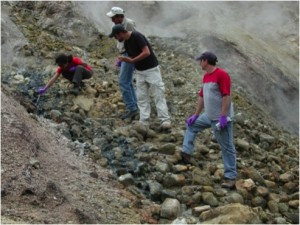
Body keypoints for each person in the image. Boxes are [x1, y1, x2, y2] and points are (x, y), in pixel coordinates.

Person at [181, 51, 237, 189]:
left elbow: (226, 96)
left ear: (205, 61)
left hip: (220, 118)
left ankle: (230, 177)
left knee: (227, 147)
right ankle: (186, 153)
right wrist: (196, 115)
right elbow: (201, 97)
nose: (199, 62)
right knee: (192, 126)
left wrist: (224, 116)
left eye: (200, 60)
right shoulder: (206, 76)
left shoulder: (222, 75)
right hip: (208, 115)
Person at [109, 24, 171, 129]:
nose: (116, 39)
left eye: (116, 36)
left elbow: (146, 52)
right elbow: (131, 54)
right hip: (140, 71)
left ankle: (165, 120)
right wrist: (123, 60)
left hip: (151, 70)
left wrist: (132, 61)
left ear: (120, 33)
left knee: (158, 94)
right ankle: (144, 120)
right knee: (142, 97)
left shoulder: (137, 36)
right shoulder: (127, 43)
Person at [106, 7, 138, 120]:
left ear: (120, 16)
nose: (112, 20)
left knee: (123, 82)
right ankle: (134, 106)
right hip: (125, 55)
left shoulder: (128, 24)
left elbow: (135, 40)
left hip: (129, 55)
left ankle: (132, 108)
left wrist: (129, 56)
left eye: (113, 18)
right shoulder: (117, 26)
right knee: (128, 82)